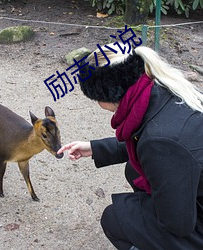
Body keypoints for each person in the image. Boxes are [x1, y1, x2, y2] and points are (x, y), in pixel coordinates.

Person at [57, 43, 203, 250]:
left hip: (194, 222)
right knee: (134, 169)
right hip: (193, 186)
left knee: (115, 218)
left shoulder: (160, 142)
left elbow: (178, 224)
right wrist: (95, 148)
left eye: (96, 98)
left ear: (107, 92)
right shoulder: (163, 88)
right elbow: (147, 138)